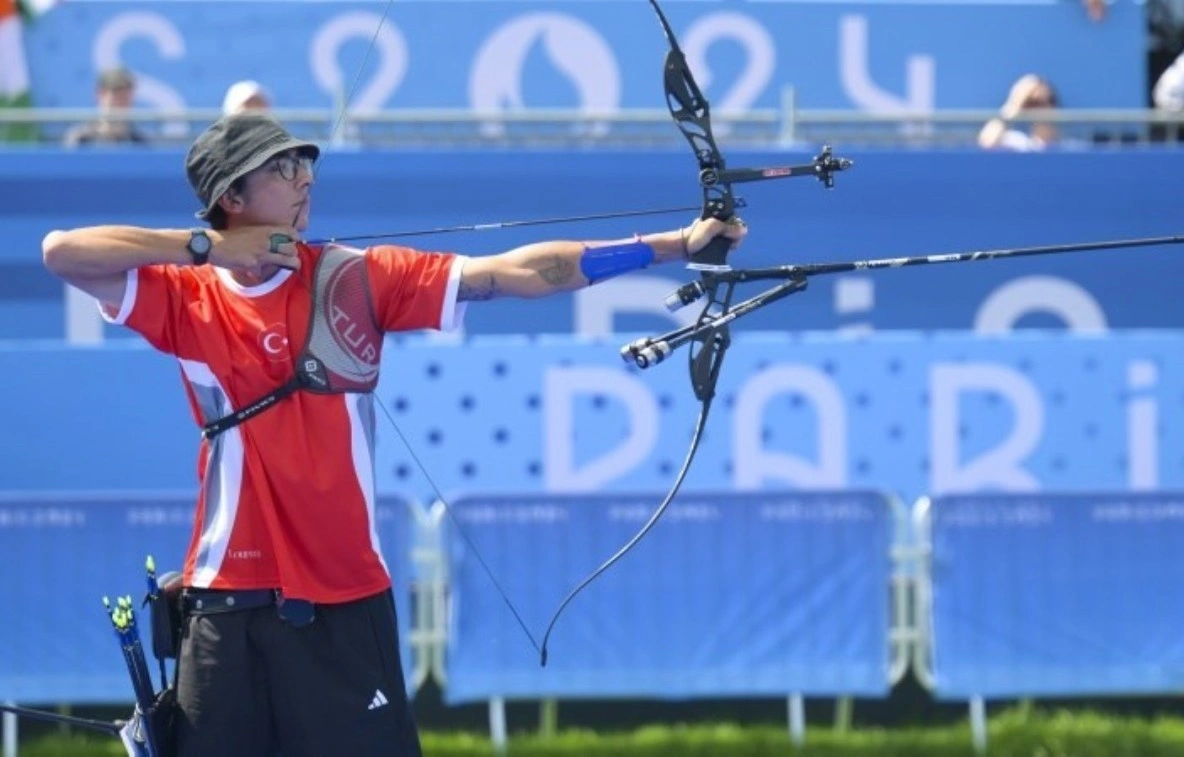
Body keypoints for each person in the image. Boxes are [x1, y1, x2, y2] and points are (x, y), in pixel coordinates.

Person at [40, 112, 747, 757]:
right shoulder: (184, 294)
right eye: (282, 168)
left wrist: (671, 244)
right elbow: (62, 251)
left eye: (305, 164)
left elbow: (519, 273)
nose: (305, 178)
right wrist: (208, 247)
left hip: (344, 599)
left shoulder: (354, 278)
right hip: (226, 599)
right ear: (232, 193)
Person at [63, 66, 148, 147]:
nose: (121, 100)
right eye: (116, 93)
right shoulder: (81, 138)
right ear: (100, 94)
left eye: (126, 94)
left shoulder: (141, 141)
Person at [977, 74, 1060, 151]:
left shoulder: (1066, 145)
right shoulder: (1015, 142)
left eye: (1048, 101)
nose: (1039, 110)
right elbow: (987, 145)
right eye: (1032, 103)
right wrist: (1013, 106)